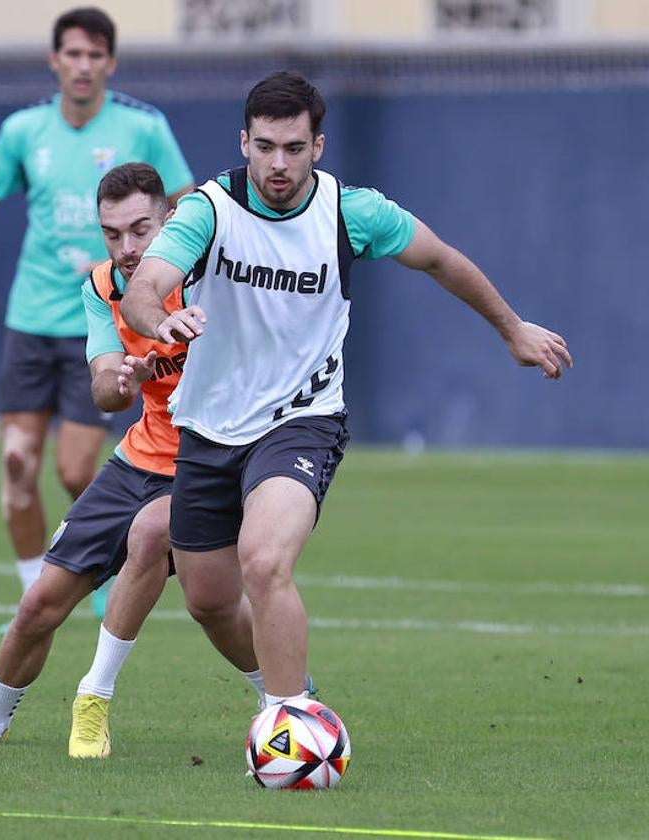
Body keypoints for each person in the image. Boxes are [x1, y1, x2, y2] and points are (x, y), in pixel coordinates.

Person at [120, 71, 572, 705]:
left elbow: (440, 258)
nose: (279, 164)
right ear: (243, 142)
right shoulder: (207, 210)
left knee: (266, 560)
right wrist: (157, 316)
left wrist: (512, 327)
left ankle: (291, 723)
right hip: (208, 424)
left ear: (319, 147)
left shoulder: (352, 211)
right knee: (209, 601)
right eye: (266, 147)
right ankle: (289, 686)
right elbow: (144, 287)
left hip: (303, 418)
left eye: (295, 149)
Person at [0, 164, 263, 757]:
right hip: (139, 461)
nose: (128, 248)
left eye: (141, 229)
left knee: (161, 550)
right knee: (40, 604)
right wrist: (122, 377)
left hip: (216, 462)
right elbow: (102, 391)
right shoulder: (101, 287)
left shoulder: (214, 278)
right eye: (112, 234)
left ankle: (94, 698)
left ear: (171, 219)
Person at [0, 7, 194, 609]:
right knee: (16, 463)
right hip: (32, 317)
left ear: (109, 62)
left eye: (94, 55)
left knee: (75, 468)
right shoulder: (22, 131)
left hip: (114, 321)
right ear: (54, 60)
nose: (82, 66)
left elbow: (191, 210)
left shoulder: (145, 127)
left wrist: (145, 268)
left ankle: (102, 566)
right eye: (72, 54)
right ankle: (35, 589)